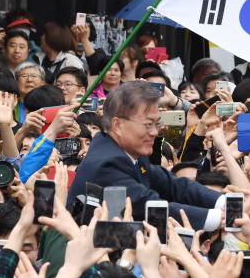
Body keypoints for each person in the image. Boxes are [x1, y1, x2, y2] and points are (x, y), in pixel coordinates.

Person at [67, 80, 223, 231]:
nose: (155, 132)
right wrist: (222, 218)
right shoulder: (107, 163)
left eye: (157, 124)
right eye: (148, 124)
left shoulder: (127, 151)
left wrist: (225, 201)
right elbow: (149, 206)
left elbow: (173, 185)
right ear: (118, 125)